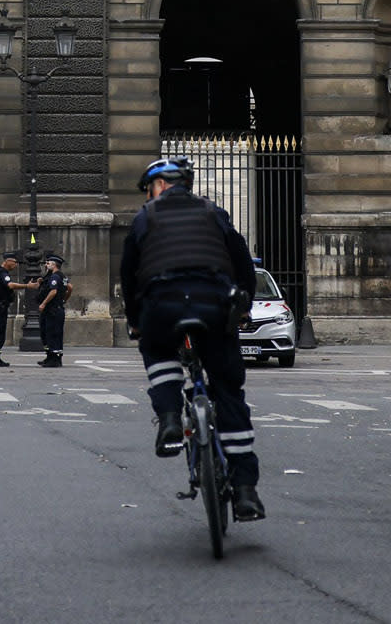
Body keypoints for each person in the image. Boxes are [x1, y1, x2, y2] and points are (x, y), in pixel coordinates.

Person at [120, 155, 265, 522]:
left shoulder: (144, 218)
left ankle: (169, 418)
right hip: (214, 304)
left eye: (151, 187)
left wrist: (136, 321)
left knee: (155, 349)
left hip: (163, 304)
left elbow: (129, 274)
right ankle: (246, 492)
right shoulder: (214, 213)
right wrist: (244, 305)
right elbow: (242, 261)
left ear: (161, 185)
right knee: (229, 392)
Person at [34, 252, 70, 368]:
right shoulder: (62, 276)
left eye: (48, 263)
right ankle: (53, 357)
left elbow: (53, 291)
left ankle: (53, 359)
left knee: (51, 334)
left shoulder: (54, 277)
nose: (46, 264)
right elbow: (70, 287)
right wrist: (64, 299)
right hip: (58, 308)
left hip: (52, 310)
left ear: (54, 265)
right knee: (54, 334)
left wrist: (43, 303)